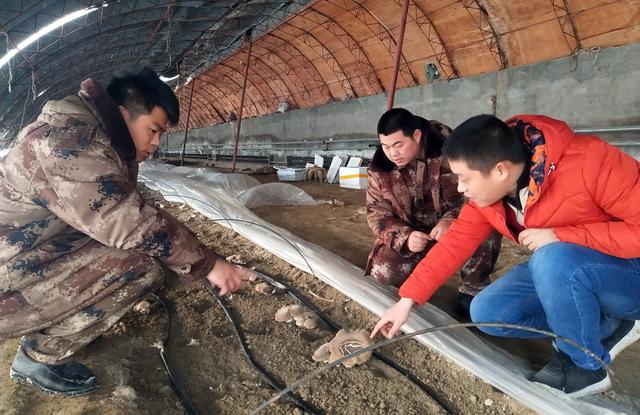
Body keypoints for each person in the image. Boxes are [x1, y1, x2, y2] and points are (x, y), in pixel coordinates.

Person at [0, 66, 254, 397]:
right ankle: (37, 357)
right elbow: (128, 222)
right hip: (7, 279)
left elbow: (131, 207)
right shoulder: (69, 145)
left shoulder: (90, 137)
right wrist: (209, 264)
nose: (156, 142)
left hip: (24, 261)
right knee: (139, 264)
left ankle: (58, 320)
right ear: (123, 113)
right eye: (153, 129)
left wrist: (199, 253)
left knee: (143, 250)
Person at [371, 114, 640, 397]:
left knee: (550, 258)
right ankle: (607, 326)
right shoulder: (491, 196)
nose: (461, 188)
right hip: (571, 269)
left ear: (500, 170)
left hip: (627, 276)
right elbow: (456, 243)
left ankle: (586, 364)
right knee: (489, 312)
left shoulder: (591, 161)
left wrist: (562, 235)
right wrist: (407, 300)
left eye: (464, 179)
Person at [365, 108, 501, 314]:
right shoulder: (379, 170)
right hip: (415, 234)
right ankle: (418, 283)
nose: (392, 153)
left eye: (398, 144)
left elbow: (478, 192)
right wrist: (405, 236)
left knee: (488, 222)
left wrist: (451, 220)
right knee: (383, 271)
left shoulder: (452, 151)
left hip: (455, 227)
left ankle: (472, 289)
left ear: (417, 136)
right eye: (385, 146)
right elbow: (377, 213)